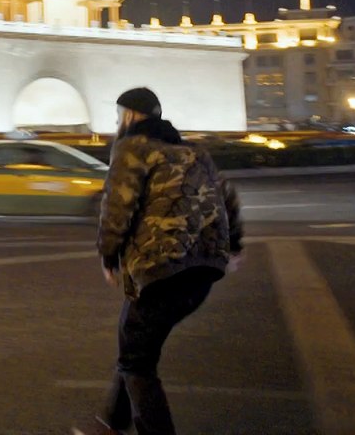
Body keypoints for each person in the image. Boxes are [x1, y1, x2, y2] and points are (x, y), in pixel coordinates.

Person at [74, 87, 243, 435]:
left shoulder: (131, 148)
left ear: (132, 116)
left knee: (136, 360)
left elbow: (117, 207)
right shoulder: (193, 152)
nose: (118, 122)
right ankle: (111, 424)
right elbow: (227, 195)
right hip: (203, 270)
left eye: (120, 115)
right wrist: (234, 246)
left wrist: (108, 256)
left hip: (161, 266)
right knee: (134, 346)